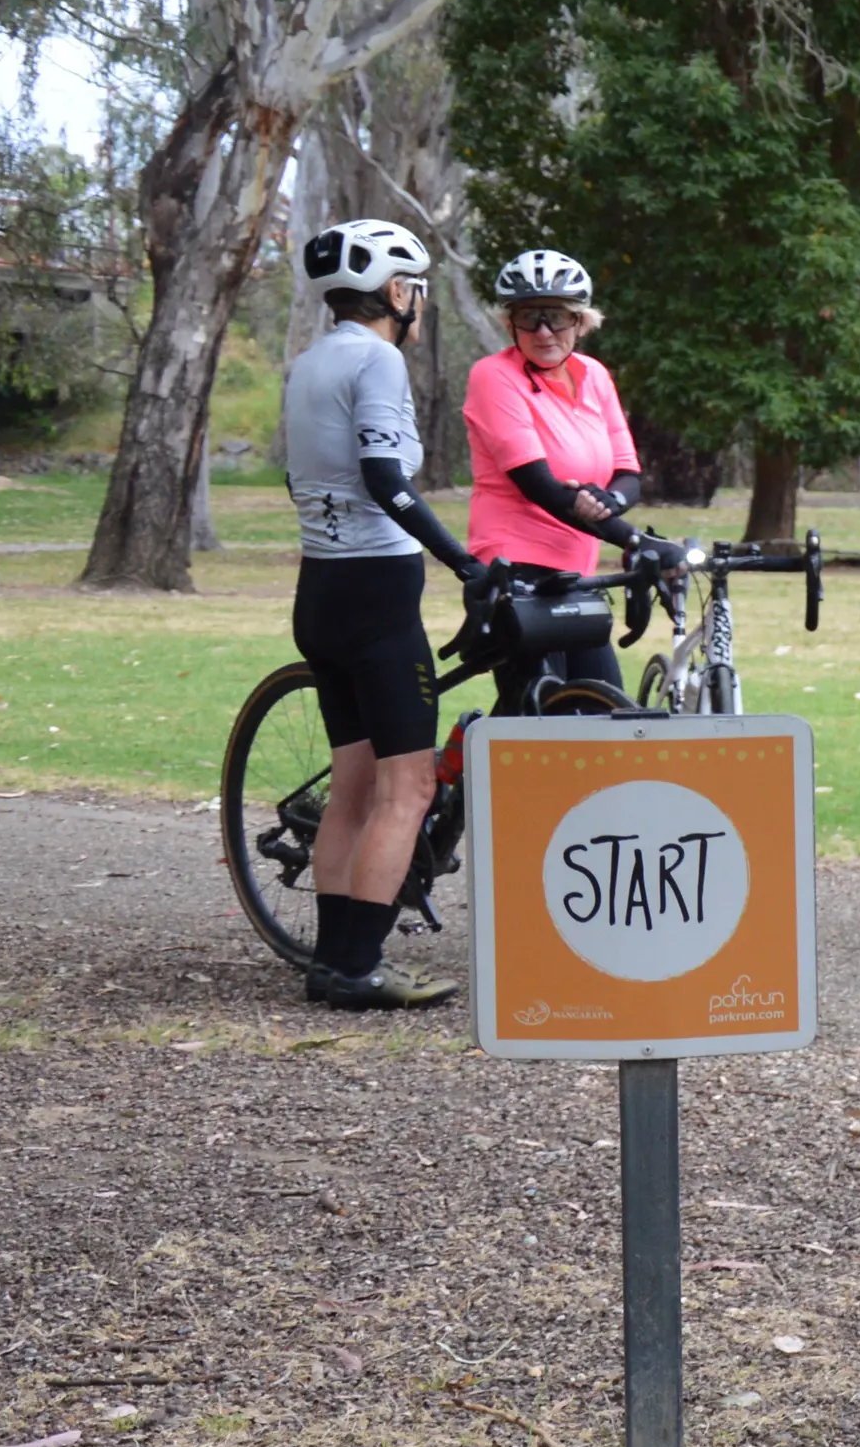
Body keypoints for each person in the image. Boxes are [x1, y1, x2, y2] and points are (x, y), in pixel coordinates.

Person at [278, 218, 481, 1009]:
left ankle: (332, 964)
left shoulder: (309, 361)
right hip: (376, 599)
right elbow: (385, 476)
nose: (417, 304)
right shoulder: (379, 358)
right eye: (416, 289)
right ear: (398, 292)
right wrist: (462, 559)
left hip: (319, 592)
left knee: (355, 791)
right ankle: (358, 970)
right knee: (409, 790)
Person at [463, 248, 653, 705]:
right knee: (539, 711)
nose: (544, 331)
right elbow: (539, 486)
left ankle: (471, 758)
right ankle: (468, 766)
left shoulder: (595, 376)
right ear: (510, 323)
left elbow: (628, 473)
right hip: (516, 563)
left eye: (557, 317)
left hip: (576, 569)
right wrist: (634, 540)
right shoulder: (493, 376)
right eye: (529, 318)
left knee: (605, 710)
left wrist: (605, 503)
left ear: (581, 322)